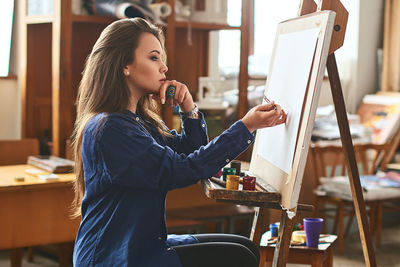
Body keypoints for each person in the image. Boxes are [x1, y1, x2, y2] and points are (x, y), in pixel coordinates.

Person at [71, 18, 286, 267]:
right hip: (115, 256)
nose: (164, 67)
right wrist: (246, 126)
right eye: (154, 58)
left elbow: (194, 153)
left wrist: (189, 108)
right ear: (124, 65)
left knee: (245, 247)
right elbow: (183, 170)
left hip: (140, 244)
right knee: (239, 257)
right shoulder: (110, 128)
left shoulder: (138, 121)